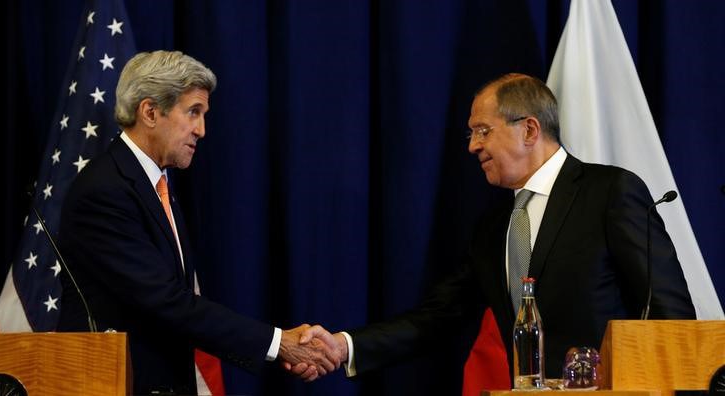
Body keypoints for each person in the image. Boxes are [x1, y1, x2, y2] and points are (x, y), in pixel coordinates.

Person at [292, 73, 696, 384]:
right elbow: (439, 317)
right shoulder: (493, 227)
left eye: (483, 131)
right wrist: (344, 346)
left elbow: (670, 314)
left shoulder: (609, 192)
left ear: (530, 130)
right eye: (471, 133)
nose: (472, 145)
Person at [57, 50, 338, 394]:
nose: (202, 130)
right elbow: (166, 301)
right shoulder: (105, 190)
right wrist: (278, 343)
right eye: (193, 112)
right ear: (150, 112)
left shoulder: (155, 185)